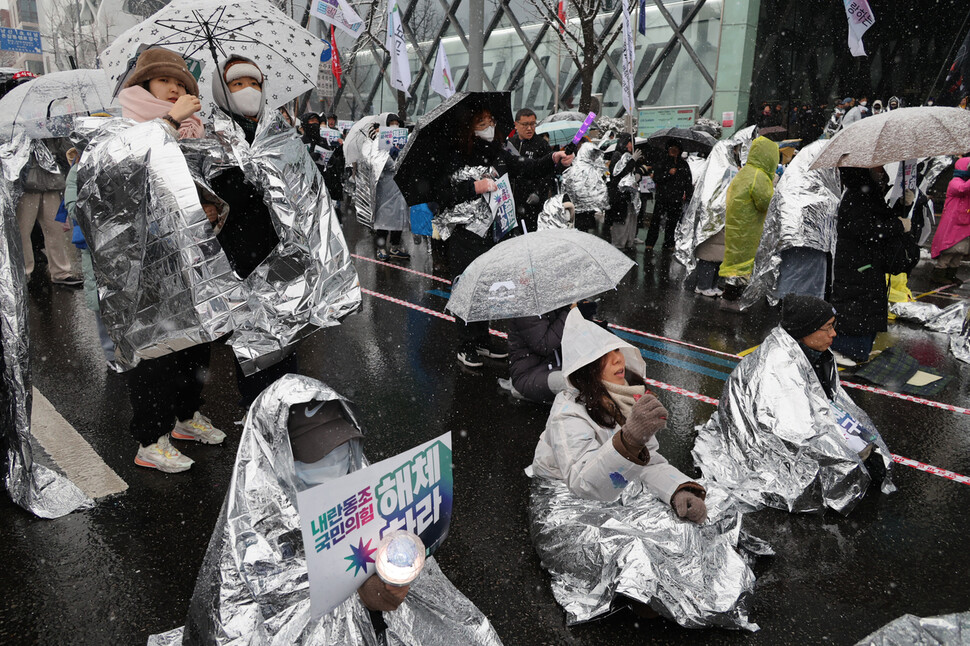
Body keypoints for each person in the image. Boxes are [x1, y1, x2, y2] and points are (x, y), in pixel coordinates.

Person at [176, 375, 504, 646]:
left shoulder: (364, 487)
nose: (332, 463)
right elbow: (282, 606)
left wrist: (385, 579)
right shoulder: (253, 526)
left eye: (340, 446)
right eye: (314, 455)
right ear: (272, 454)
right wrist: (354, 588)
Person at [114, 47, 224, 472]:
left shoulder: (193, 128)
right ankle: (149, 438)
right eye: (165, 82)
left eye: (182, 84)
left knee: (195, 344)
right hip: (147, 262)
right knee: (156, 349)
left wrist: (212, 204)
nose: (176, 89)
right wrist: (171, 120)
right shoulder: (127, 125)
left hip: (192, 254)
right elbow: (127, 176)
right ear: (143, 85)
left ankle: (184, 417)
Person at [692, 294, 894, 514]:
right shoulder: (779, 364)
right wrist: (841, 450)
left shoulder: (814, 353)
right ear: (805, 330)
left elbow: (828, 401)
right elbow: (788, 430)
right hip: (769, 435)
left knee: (868, 460)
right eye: (827, 328)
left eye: (832, 327)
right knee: (844, 471)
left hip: (802, 421)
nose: (833, 334)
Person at [532, 308, 707, 517]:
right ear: (586, 369)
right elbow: (582, 484)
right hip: (562, 492)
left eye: (616, 349)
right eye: (604, 356)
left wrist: (678, 490)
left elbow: (646, 460)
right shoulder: (567, 413)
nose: (617, 359)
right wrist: (630, 441)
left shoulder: (627, 395)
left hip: (610, 483)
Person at [434, 104, 572, 368]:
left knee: (486, 286)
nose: (488, 126)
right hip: (465, 233)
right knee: (466, 286)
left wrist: (553, 159)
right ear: (469, 126)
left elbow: (525, 166)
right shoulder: (455, 154)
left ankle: (482, 339)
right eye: (481, 121)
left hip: (492, 231)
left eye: (490, 120)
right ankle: (466, 344)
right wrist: (475, 186)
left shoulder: (498, 151)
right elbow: (442, 193)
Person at [209, 55, 301, 405]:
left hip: (283, 252)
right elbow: (223, 194)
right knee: (253, 344)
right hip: (242, 256)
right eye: (238, 84)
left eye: (255, 84)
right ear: (224, 91)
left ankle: (287, 400)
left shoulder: (277, 132)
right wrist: (258, 177)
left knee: (286, 332)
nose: (249, 91)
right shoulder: (215, 138)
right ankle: (257, 409)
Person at [829, 167, 920, 365]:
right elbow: (864, 228)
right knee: (856, 305)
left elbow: (879, 221)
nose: (881, 169)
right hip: (858, 264)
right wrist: (898, 225)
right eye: (877, 167)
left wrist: (903, 206)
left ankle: (856, 349)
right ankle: (844, 349)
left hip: (866, 263)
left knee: (864, 305)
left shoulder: (868, 194)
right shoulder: (856, 195)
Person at [719, 136, 779, 308]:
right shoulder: (759, 176)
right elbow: (766, 203)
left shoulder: (745, 172)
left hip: (737, 226)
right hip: (749, 229)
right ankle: (732, 301)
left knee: (735, 262)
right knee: (743, 266)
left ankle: (729, 298)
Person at [16, 135, 80, 286]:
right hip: (28, 186)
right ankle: (24, 272)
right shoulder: (19, 126)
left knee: (55, 230)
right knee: (22, 232)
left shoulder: (52, 124)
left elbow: (65, 150)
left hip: (51, 183)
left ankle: (61, 272)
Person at [366, 113, 410, 261]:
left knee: (399, 216)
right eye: (391, 123)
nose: (394, 125)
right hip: (385, 185)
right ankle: (381, 247)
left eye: (397, 123)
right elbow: (374, 161)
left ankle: (395, 246)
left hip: (399, 185)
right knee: (384, 217)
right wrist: (390, 157)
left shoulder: (405, 139)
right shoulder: (378, 140)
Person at [504, 306, 570, 402]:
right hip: (528, 375)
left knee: (593, 374)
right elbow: (544, 346)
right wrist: (568, 313)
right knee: (575, 384)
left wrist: (584, 313)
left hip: (557, 366)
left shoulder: (552, 303)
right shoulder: (526, 309)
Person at [508, 108, 554, 232]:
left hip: (532, 204)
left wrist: (538, 192)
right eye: (525, 124)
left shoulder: (541, 145)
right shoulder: (510, 143)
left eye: (532, 124)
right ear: (516, 125)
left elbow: (549, 173)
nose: (529, 128)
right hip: (511, 202)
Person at [644, 140, 692, 251]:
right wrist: (668, 174)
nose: (673, 151)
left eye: (676, 149)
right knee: (655, 221)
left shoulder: (683, 164)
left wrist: (688, 196)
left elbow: (688, 182)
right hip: (662, 197)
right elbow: (656, 178)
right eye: (671, 148)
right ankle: (650, 243)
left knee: (672, 223)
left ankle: (669, 243)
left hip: (676, 198)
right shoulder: (662, 162)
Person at [930, 157, 970, 285]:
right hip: (953, 224)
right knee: (950, 250)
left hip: (964, 223)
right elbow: (962, 189)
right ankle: (939, 274)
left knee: (959, 252)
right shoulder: (955, 182)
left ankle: (951, 274)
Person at [605, 133, 643, 251]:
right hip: (620, 195)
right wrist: (632, 161)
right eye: (630, 142)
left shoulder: (628, 156)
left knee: (630, 219)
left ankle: (628, 242)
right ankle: (619, 244)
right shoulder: (617, 155)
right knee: (621, 220)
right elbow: (618, 173)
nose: (632, 145)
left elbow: (631, 173)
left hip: (629, 195)